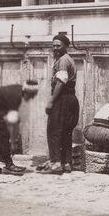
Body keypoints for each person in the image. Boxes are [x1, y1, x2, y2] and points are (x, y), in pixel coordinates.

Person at [0, 81, 39, 175]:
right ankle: (8, 165)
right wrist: (13, 144)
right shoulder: (16, 96)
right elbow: (12, 123)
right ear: (26, 92)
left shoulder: (18, 91)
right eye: (31, 95)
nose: (31, 98)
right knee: (3, 133)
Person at [39, 34, 80, 175]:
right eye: (54, 45)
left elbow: (61, 82)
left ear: (66, 46)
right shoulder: (67, 59)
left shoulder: (63, 61)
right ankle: (66, 163)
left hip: (63, 99)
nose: (55, 48)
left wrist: (51, 101)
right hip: (70, 99)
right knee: (65, 132)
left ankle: (56, 163)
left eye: (58, 45)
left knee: (54, 130)